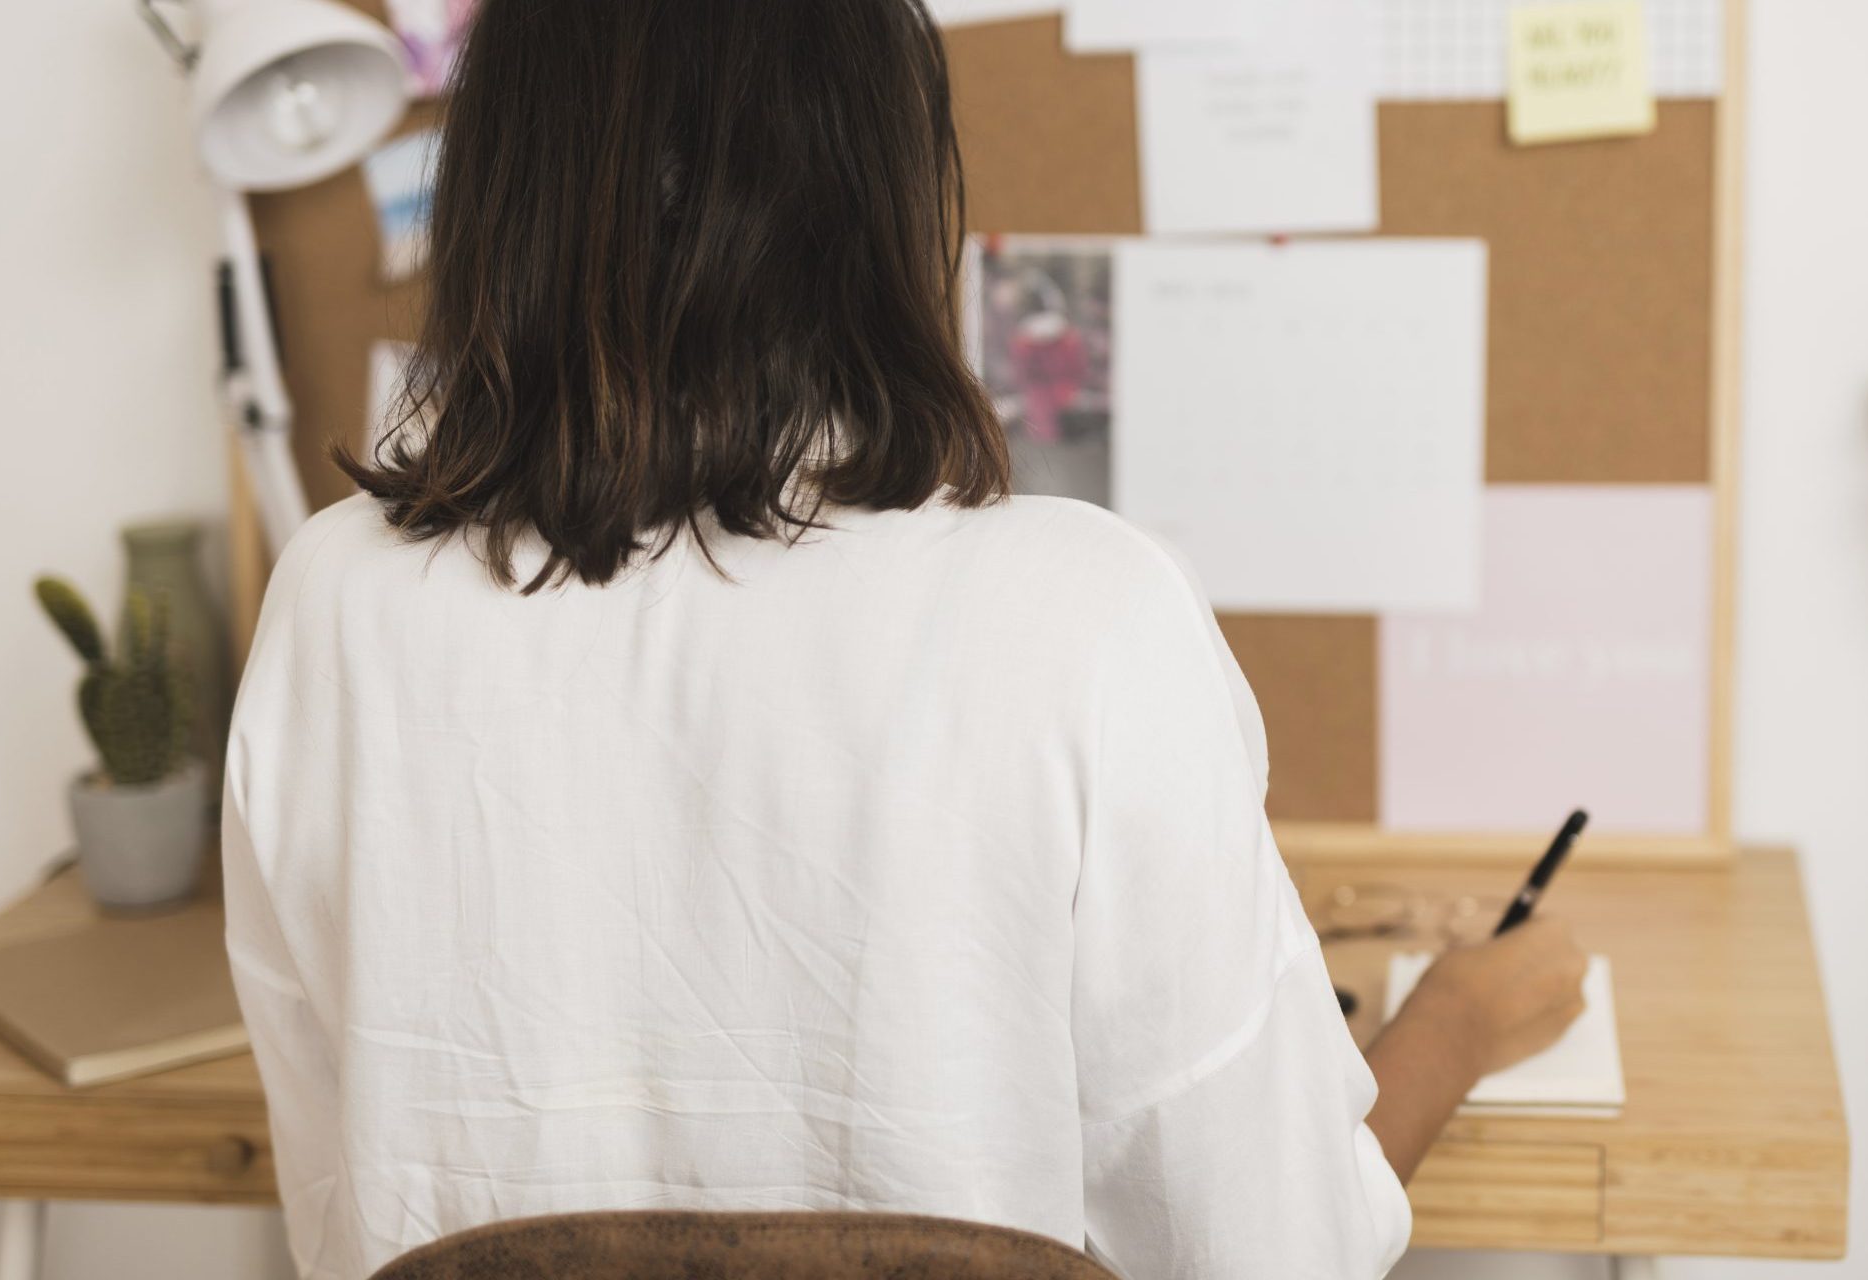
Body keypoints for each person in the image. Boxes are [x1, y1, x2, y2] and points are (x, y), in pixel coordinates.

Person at [219, 2, 1588, 1277]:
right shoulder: (1087, 619)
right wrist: (1455, 1024)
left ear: (502, 187)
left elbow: (348, 1218)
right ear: (884, 199)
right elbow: (1274, 1250)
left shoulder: (334, 610)